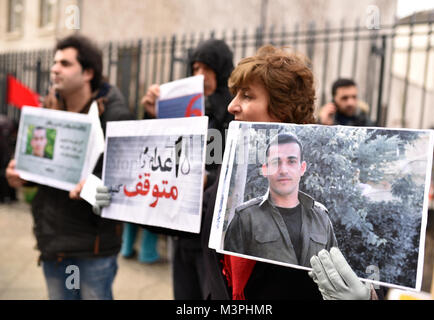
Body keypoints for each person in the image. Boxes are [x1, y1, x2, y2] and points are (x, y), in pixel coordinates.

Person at [201, 45, 381, 300]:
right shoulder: (234, 166)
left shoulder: (322, 215)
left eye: (247, 96)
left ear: (281, 109)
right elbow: (194, 226)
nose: (232, 106)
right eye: (235, 94)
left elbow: (359, 278)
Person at [96, 38, 235, 299]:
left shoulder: (233, 112)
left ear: (222, 72)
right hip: (180, 226)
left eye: (207, 69)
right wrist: (152, 115)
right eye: (195, 69)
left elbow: (235, 169)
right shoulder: (189, 107)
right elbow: (162, 151)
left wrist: (209, 180)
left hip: (211, 233)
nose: (200, 76)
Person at [5, 34, 133, 300]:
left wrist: (94, 186)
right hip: (53, 242)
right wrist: (21, 175)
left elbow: (128, 184)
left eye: (64, 63)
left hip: (92, 248)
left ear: (88, 73)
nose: (54, 69)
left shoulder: (114, 116)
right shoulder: (48, 110)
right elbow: (45, 170)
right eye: (55, 62)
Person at [224, 133, 337, 267]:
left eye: (291, 161)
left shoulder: (321, 217)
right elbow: (230, 273)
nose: (283, 170)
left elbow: (334, 268)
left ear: (302, 168)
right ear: (265, 170)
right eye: (276, 162)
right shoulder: (245, 217)